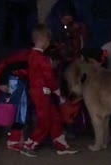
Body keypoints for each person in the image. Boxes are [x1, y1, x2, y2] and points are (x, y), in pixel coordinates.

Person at [21, 24, 79, 157]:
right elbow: (49, 78)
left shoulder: (31, 56)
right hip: (43, 93)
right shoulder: (43, 59)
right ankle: (29, 145)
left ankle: (60, 145)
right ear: (44, 40)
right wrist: (58, 92)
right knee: (45, 121)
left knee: (54, 117)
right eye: (48, 40)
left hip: (38, 92)